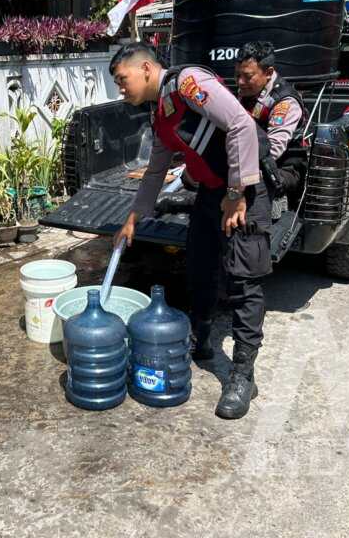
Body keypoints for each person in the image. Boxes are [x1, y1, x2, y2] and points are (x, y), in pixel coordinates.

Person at [111, 43, 271, 420]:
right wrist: (135, 216)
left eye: (122, 79)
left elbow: (241, 125)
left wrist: (236, 194)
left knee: (243, 282)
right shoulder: (160, 113)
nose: (120, 88)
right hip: (211, 193)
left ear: (146, 68)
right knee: (200, 268)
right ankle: (201, 341)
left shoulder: (187, 83)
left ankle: (243, 374)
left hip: (244, 190)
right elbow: (156, 169)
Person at [236, 41, 307, 198]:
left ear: (268, 73)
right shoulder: (247, 90)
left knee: (247, 181)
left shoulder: (285, 102)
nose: (240, 82)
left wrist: (236, 169)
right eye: (237, 75)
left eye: (247, 76)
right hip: (248, 158)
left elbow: (273, 149)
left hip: (283, 167)